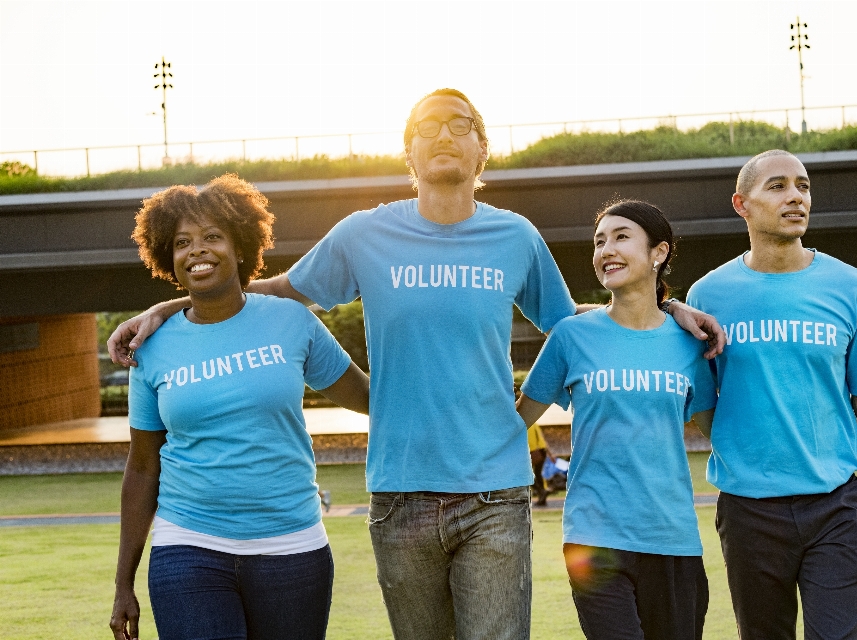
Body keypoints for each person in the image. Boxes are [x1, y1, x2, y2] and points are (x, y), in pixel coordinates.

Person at [108, 89, 725, 640]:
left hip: (495, 493)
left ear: (482, 150)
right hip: (399, 493)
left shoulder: (515, 237)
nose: (443, 136)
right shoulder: (363, 234)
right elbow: (277, 289)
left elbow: (579, 323)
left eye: (459, 124)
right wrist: (168, 304)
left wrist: (667, 307)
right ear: (407, 153)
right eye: (426, 127)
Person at [109, 175, 370, 640]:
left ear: (242, 246)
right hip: (187, 544)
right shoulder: (150, 347)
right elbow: (143, 466)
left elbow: (370, 398)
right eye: (183, 242)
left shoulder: (292, 321)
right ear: (168, 257)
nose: (198, 251)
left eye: (213, 237)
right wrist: (122, 582)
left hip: (292, 546)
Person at [685, 150, 857, 640]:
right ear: (742, 204)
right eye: (778, 186)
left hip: (836, 504)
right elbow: (702, 405)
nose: (795, 197)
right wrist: (745, 445)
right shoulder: (708, 295)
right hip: (748, 511)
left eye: (803, 186)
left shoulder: (849, 286)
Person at [517, 200, 716, 640]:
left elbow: (720, 432)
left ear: (658, 253)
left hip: (672, 538)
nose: (606, 248)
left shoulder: (688, 344)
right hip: (595, 538)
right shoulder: (571, 336)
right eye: (599, 241)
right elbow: (515, 424)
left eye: (621, 236)